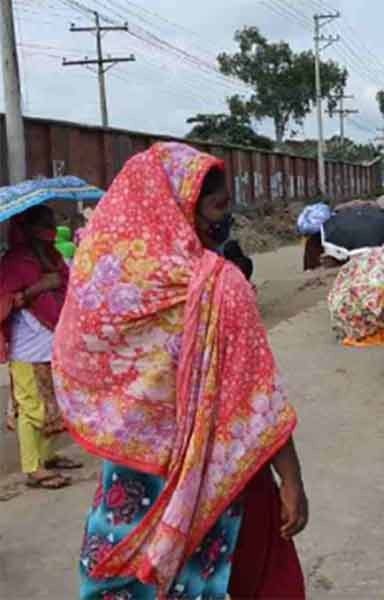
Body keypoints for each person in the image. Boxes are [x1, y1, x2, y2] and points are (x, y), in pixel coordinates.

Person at [54, 143, 308, 598]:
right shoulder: (221, 286)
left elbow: (79, 363)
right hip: (220, 478)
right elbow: (257, 398)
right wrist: (292, 479)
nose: (225, 219)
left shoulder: (107, 290)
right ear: (182, 210)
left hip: (134, 480)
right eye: (218, 206)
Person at [0, 205, 80, 490]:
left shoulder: (53, 256)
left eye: (51, 221)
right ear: (29, 228)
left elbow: (68, 287)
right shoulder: (13, 262)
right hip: (27, 348)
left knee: (55, 404)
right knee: (31, 407)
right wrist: (40, 286)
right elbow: (5, 302)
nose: (50, 227)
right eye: (44, 223)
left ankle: (48, 456)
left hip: (55, 342)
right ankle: (32, 468)